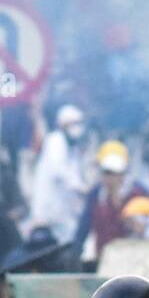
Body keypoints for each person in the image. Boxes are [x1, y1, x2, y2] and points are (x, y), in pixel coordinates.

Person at [73, 141, 149, 263]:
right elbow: (83, 228)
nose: (108, 178)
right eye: (105, 173)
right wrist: (76, 254)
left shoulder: (139, 191)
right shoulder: (95, 195)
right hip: (105, 260)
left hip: (135, 259)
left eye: (112, 173)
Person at [30, 104, 90, 244]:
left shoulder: (72, 147)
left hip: (64, 212)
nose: (77, 127)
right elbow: (59, 170)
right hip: (49, 210)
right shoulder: (55, 141)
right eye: (73, 124)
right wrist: (80, 188)